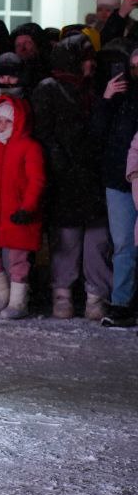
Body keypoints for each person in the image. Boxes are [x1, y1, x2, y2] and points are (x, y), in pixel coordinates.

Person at [31, 35, 110, 320]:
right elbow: (45, 131)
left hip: (90, 174)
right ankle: (62, 294)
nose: (91, 64)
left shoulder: (93, 89)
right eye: (86, 59)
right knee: (67, 237)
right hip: (65, 176)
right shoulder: (50, 89)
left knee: (96, 238)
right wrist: (61, 162)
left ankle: (95, 295)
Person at [0, 97, 45, 319]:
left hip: (17, 213)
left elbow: (36, 181)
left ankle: (18, 301)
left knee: (17, 258)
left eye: (7, 121)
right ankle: (1, 293)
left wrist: (28, 207)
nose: (2, 125)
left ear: (18, 121)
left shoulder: (29, 147)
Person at [92, 45, 138, 327]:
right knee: (123, 244)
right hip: (118, 179)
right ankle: (122, 303)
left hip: (130, 175)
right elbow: (98, 133)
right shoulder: (119, 98)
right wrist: (107, 99)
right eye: (133, 67)